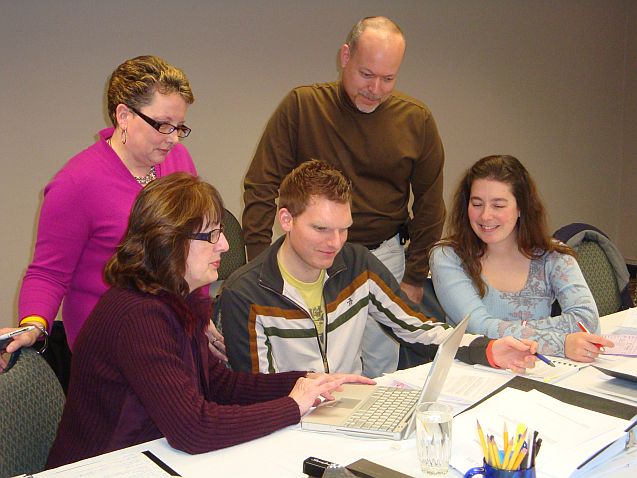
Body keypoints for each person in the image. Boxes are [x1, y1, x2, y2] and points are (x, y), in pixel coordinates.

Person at [45, 173, 372, 468]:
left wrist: (312, 382)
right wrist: (292, 405)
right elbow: (193, 429)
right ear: (170, 240)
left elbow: (219, 385)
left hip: (148, 458)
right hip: (105, 467)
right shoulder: (138, 315)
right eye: (212, 235)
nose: (226, 245)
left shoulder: (173, 299)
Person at [242, 16, 446, 377]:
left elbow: (430, 205)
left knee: (383, 369)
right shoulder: (303, 106)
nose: (376, 89)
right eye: (367, 74)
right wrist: (259, 266)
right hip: (313, 258)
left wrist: (415, 277)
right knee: (314, 367)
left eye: (388, 78)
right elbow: (261, 185)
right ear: (345, 56)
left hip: (384, 257)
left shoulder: (416, 120)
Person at [1, 55, 224, 371]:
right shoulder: (76, 183)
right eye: (163, 125)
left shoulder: (179, 162)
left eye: (180, 127)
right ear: (124, 115)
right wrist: (34, 325)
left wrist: (199, 316)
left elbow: (194, 250)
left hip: (171, 337)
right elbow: (48, 272)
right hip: (110, 350)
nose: (173, 138)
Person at [218, 160, 537, 376]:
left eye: (344, 229)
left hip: (349, 413)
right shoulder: (245, 292)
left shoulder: (358, 266)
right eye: (321, 229)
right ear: (286, 219)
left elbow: (419, 331)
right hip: (290, 424)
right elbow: (256, 391)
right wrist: (317, 391)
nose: (335, 242)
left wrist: (489, 349)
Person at [429, 155, 614, 362]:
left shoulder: (553, 256)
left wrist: (522, 332)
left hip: (537, 368)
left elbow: (587, 322)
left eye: (498, 205)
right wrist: (560, 342)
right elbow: (478, 327)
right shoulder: (448, 256)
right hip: (472, 370)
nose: (485, 216)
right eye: (477, 204)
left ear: (521, 208)